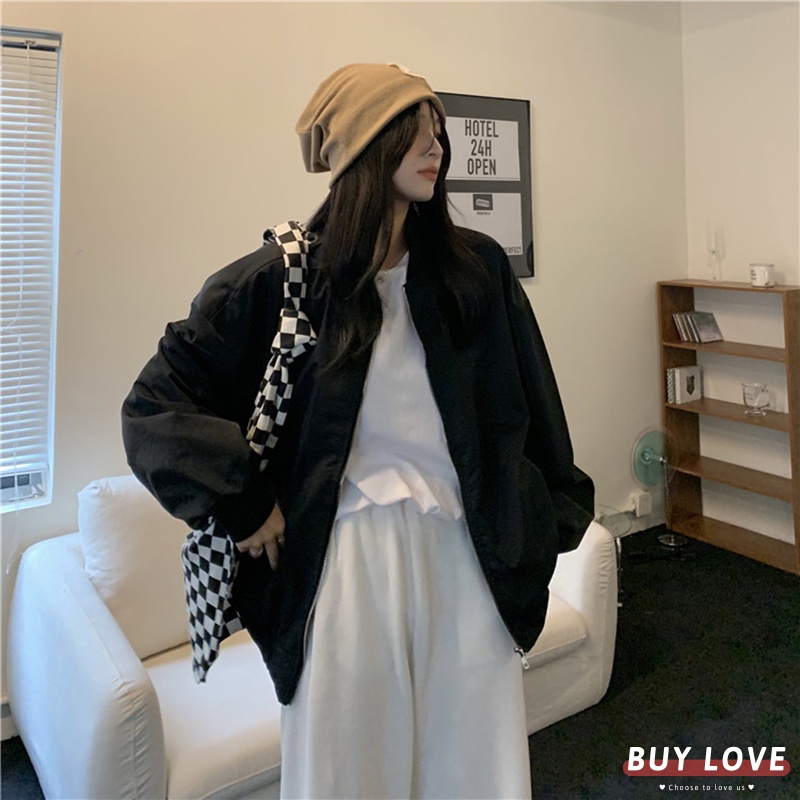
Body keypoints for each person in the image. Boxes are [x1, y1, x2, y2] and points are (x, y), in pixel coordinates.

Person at [122, 62, 594, 800]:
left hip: (466, 560)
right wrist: (243, 502)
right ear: (364, 148)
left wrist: (543, 519)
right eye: (413, 130)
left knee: (472, 768)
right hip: (342, 570)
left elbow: (533, 408)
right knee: (349, 770)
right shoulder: (281, 280)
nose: (435, 145)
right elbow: (154, 406)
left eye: (437, 129)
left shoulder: (476, 270)